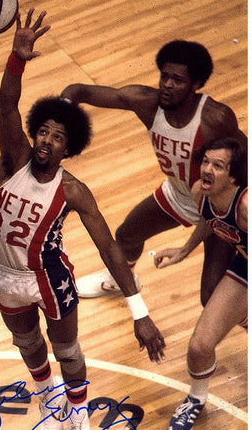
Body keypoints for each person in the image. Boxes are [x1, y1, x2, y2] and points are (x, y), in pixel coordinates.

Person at [0, 8, 165, 430]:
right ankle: (50, 403)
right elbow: (6, 106)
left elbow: (109, 248)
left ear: (69, 148)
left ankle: (80, 424)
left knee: (67, 352)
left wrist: (139, 311)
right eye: (43, 131)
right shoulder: (12, 161)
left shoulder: (73, 190)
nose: (46, 140)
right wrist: (16, 58)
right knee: (26, 346)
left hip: (49, 278)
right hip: (4, 277)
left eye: (58, 137)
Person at [61, 40, 247, 306]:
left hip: (218, 206)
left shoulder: (215, 118)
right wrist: (62, 109)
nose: (167, 84)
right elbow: (77, 91)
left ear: (195, 85)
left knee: (211, 298)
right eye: (165, 76)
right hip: (179, 194)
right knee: (127, 235)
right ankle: (118, 281)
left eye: (177, 80)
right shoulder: (147, 103)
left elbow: (246, 157)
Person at [154, 137, 247, 430]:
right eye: (205, 161)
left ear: (234, 176)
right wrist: (183, 250)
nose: (206, 169)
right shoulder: (199, 193)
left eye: (217, 166)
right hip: (245, 269)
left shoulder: (246, 208)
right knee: (199, 347)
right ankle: (196, 397)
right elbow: (210, 221)